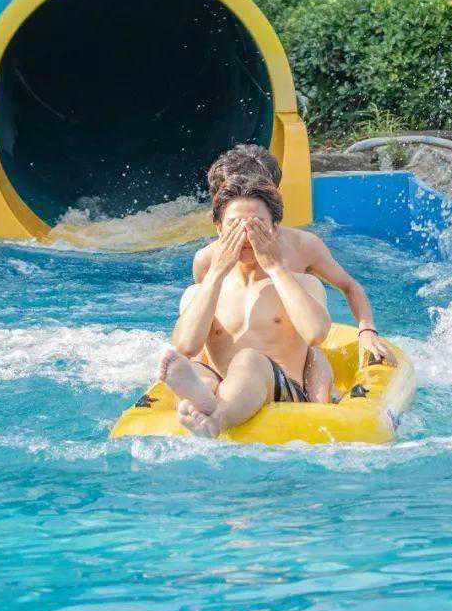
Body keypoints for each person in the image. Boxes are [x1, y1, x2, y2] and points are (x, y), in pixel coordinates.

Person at [195, 144, 389, 402]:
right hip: (236, 365)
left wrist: (366, 329)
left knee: (315, 356)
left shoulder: (302, 246)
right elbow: (206, 318)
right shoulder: (208, 258)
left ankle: (320, 409)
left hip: (295, 354)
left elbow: (349, 286)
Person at [159, 174, 332, 438]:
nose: (246, 235)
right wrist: (217, 272)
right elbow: (186, 347)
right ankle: (205, 403)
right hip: (220, 384)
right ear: (219, 229)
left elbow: (316, 334)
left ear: (275, 229)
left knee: (249, 359)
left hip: (283, 391)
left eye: (257, 225)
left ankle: (216, 420)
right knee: (193, 369)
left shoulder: (303, 284)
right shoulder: (199, 292)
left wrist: (274, 267)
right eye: (234, 226)